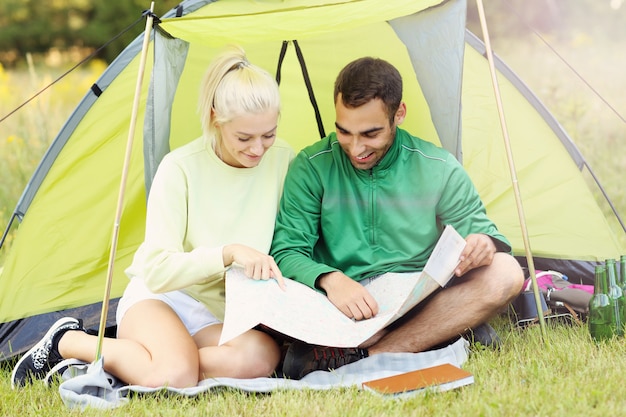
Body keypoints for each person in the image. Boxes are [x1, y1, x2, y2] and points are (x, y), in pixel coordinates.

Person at [11, 46, 294, 389]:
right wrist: (227, 253)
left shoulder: (283, 161)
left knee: (260, 358)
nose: (258, 149)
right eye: (244, 137)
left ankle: (142, 361)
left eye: (269, 134)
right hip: (163, 296)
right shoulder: (180, 168)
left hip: (217, 312)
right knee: (175, 375)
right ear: (215, 116)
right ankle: (68, 342)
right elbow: (158, 270)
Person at [270, 57, 524, 380]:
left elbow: (481, 230)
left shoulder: (437, 167)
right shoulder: (311, 165)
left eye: (370, 133)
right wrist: (329, 279)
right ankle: (442, 332)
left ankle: (372, 354)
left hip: (416, 298)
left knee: (506, 272)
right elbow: (286, 251)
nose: (356, 147)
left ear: (398, 114)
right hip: (342, 305)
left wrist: (483, 244)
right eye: (344, 131)